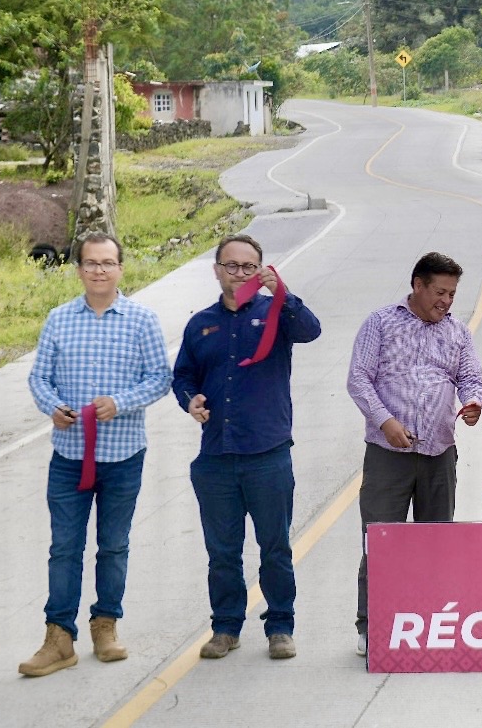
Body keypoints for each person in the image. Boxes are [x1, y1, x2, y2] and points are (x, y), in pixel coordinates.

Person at [19, 233, 171, 678]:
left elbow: (160, 378)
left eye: (107, 263)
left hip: (123, 455)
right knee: (64, 546)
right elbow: (39, 378)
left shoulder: (142, 320)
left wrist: (120, 403)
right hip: (69, 457)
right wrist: (53, 408)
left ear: (121, 268)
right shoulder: (59, 319)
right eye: (90, 263)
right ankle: (58, 637)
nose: (99, 270)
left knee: (114, 545)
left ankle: (105, 625)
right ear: (78, 269)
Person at [173, 234, 322, 661]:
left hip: (267, 454)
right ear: (217, 270)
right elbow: (182, 376)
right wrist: (191, 400)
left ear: (260, 270)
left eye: (248, 266)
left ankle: (280, 626)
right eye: (231, 265)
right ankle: (225, 627)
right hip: (216, 458)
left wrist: (284, 295)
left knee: (275, 547)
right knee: (222, 552)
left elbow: (311, 330)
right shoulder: (201, 324)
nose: (239, 273)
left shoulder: (276, 313)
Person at [347, 252, 482, 657]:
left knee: (436, 543)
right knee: (381, 542)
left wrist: (473, 402)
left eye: (452, 294)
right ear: (417, 285)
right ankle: (372, 627)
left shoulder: (457, 332)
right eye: (439, 292)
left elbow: (470, 377)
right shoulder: (380, 323)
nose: (446, 301)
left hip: (439, 453)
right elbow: (358, 379)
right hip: (388, 454)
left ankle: (430, 623)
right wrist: (385, 421)